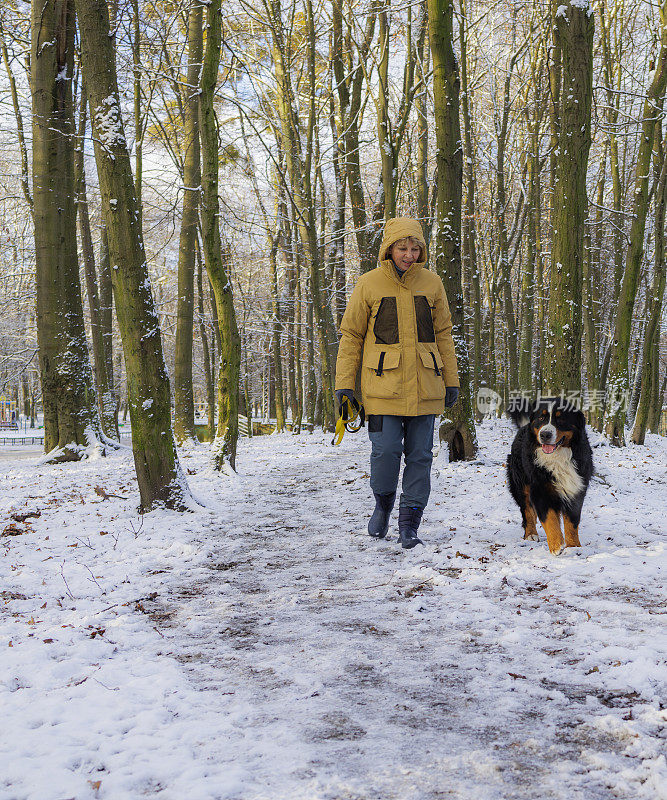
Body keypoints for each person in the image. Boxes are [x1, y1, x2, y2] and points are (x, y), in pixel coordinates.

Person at [334, 218, 460, 548]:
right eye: (402, 248)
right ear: (389, 249)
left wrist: (451, 379)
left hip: (426, 385)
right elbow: (351, 336)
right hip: (382, 386)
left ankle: (409, 525)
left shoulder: (432, 284)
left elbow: (444, 333)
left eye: (415, 248)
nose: (409, 254)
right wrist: (344, 386)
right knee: (386, 451)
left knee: (420, 456)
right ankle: (383, 504)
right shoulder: (369, 284)